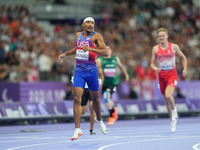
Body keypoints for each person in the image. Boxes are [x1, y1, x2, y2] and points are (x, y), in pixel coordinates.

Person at [58, 17, 108, 141]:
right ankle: (77, 129)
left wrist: (90, 48)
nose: (90, 24)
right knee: (76, 98)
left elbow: (105, 52)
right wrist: (65, 54)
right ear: (83, 25)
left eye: (92, 23)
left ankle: (100, 120)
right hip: (79, 71)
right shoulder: (78, 35)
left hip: (92, 71)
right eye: (88, 22)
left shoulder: (97, 36)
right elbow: (77, 49)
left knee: (95, 99)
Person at [150, 27, 187, 132]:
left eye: (163, 35)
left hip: (172, 75)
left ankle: (174, 110)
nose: (161, 37)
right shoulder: (155, 49)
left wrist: (185, 69)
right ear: (158, 38)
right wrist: (155, 68)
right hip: (161, 76)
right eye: (159, 36)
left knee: (168, 95)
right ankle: (172, 121)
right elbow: (152, 63)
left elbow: (183, 57)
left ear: (167, 36)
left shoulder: (174, 47)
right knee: (166, 100)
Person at [96, 46, 129, 126]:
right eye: (105, 50)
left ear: (111, 51)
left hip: (113, 83)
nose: (106, 51)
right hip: (104, 83)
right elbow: (94, 70)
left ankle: (111, 115)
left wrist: (126, 75)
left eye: (108, 49)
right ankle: (113, 110)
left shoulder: (115, 59)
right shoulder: (100, 60)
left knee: (106, 97)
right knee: (107, 99)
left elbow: (121, 66)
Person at [71, 59, 104, 135]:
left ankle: (91, 129)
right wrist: (74, 86)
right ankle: (79, 127)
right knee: (83, 111)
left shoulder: (96, 63)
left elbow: (101, 75)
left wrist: (100, 84)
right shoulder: (80, 62)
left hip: (91, 87)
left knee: (92, 107)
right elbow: (74, 75)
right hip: (83, 88)